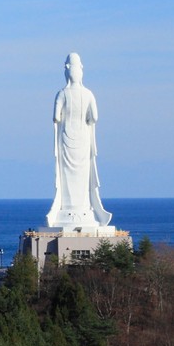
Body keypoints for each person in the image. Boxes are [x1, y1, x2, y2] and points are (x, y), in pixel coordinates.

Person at [47, 52, 111, 229]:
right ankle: (83, 208)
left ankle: (69, 208)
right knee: (83, 175)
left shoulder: (62, 94)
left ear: (67, 71)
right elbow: (94, 117)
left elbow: (55, 117)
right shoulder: (89, 94)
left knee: (67, 175)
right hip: (83, 138)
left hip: (66, 137)